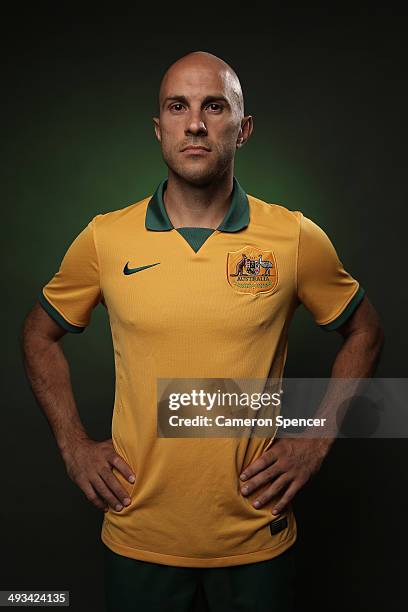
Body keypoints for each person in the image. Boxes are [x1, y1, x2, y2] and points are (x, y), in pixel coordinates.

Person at [21, 51, 384, 611]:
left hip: (255, 540)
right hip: (138, 534)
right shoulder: (105, 238)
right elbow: (37, 334)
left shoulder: (292, 237)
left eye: (215, 106)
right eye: (178, 107)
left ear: (244, 129)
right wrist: (73, 447)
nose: (195, 123)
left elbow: (365, 331)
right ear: (159, 128)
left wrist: (313, 443)